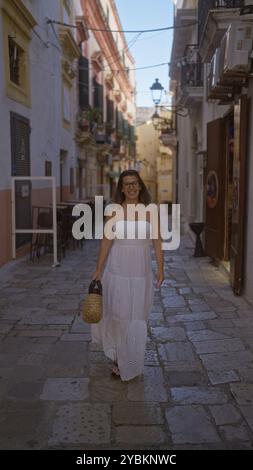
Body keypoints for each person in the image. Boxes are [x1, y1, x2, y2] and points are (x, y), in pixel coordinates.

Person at [91, 170, 164, 381]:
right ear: (121, 189)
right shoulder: (114, 210)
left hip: (141, 271)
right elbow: (106, 241)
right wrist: (98, 269)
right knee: (118, 314)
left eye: (134, 183)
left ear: (140, 186)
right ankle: (117, 357)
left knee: (136, 317)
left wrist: (161, 268)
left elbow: (157, 241)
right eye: (126, 184)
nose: (131, 188)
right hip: (117, 269)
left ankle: (132, 360)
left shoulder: (151, 210)